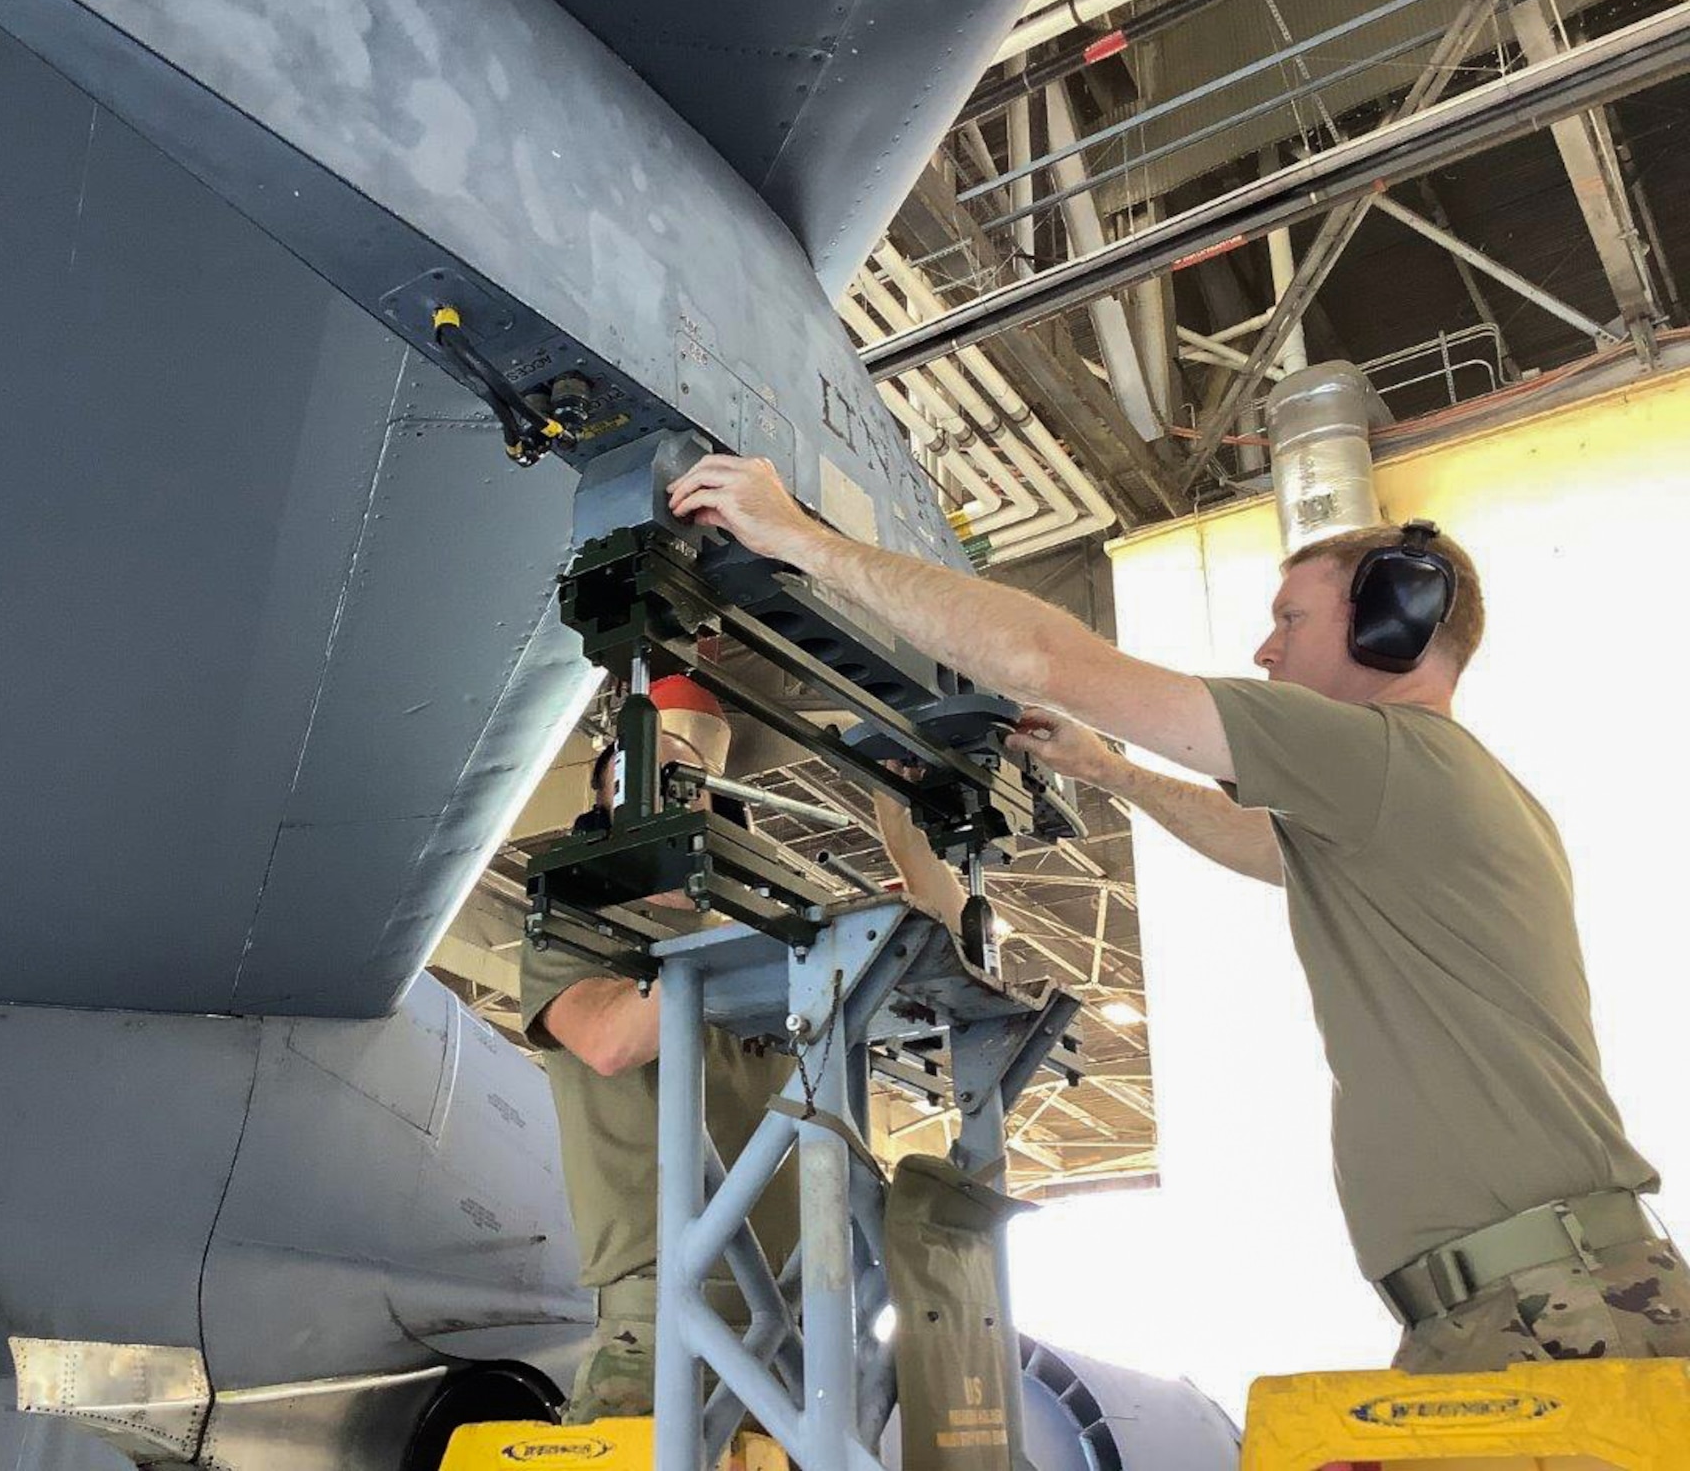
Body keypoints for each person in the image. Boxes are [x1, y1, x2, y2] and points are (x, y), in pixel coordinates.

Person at [664, 452, 1690, 1373]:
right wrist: (1110, 772)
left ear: (1391, 626)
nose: (1265, 650)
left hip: (1542, 1314)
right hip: (1530, 1299)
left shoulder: (1377, 752)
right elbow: (1258, 845)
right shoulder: (1436, 793)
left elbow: (1044, 662)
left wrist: (795, 536)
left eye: (1291, 619)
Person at [521, 675, 953, 1425]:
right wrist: (739, 947)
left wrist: (901, 828)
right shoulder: (578, 928)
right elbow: (609, 1042)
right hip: (663, 1306)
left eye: (683, 777)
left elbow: (935, 942)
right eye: (638, 776)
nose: (665, 792)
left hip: (803, 1307)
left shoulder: (780, 936)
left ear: (713, 797)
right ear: (603, 804)